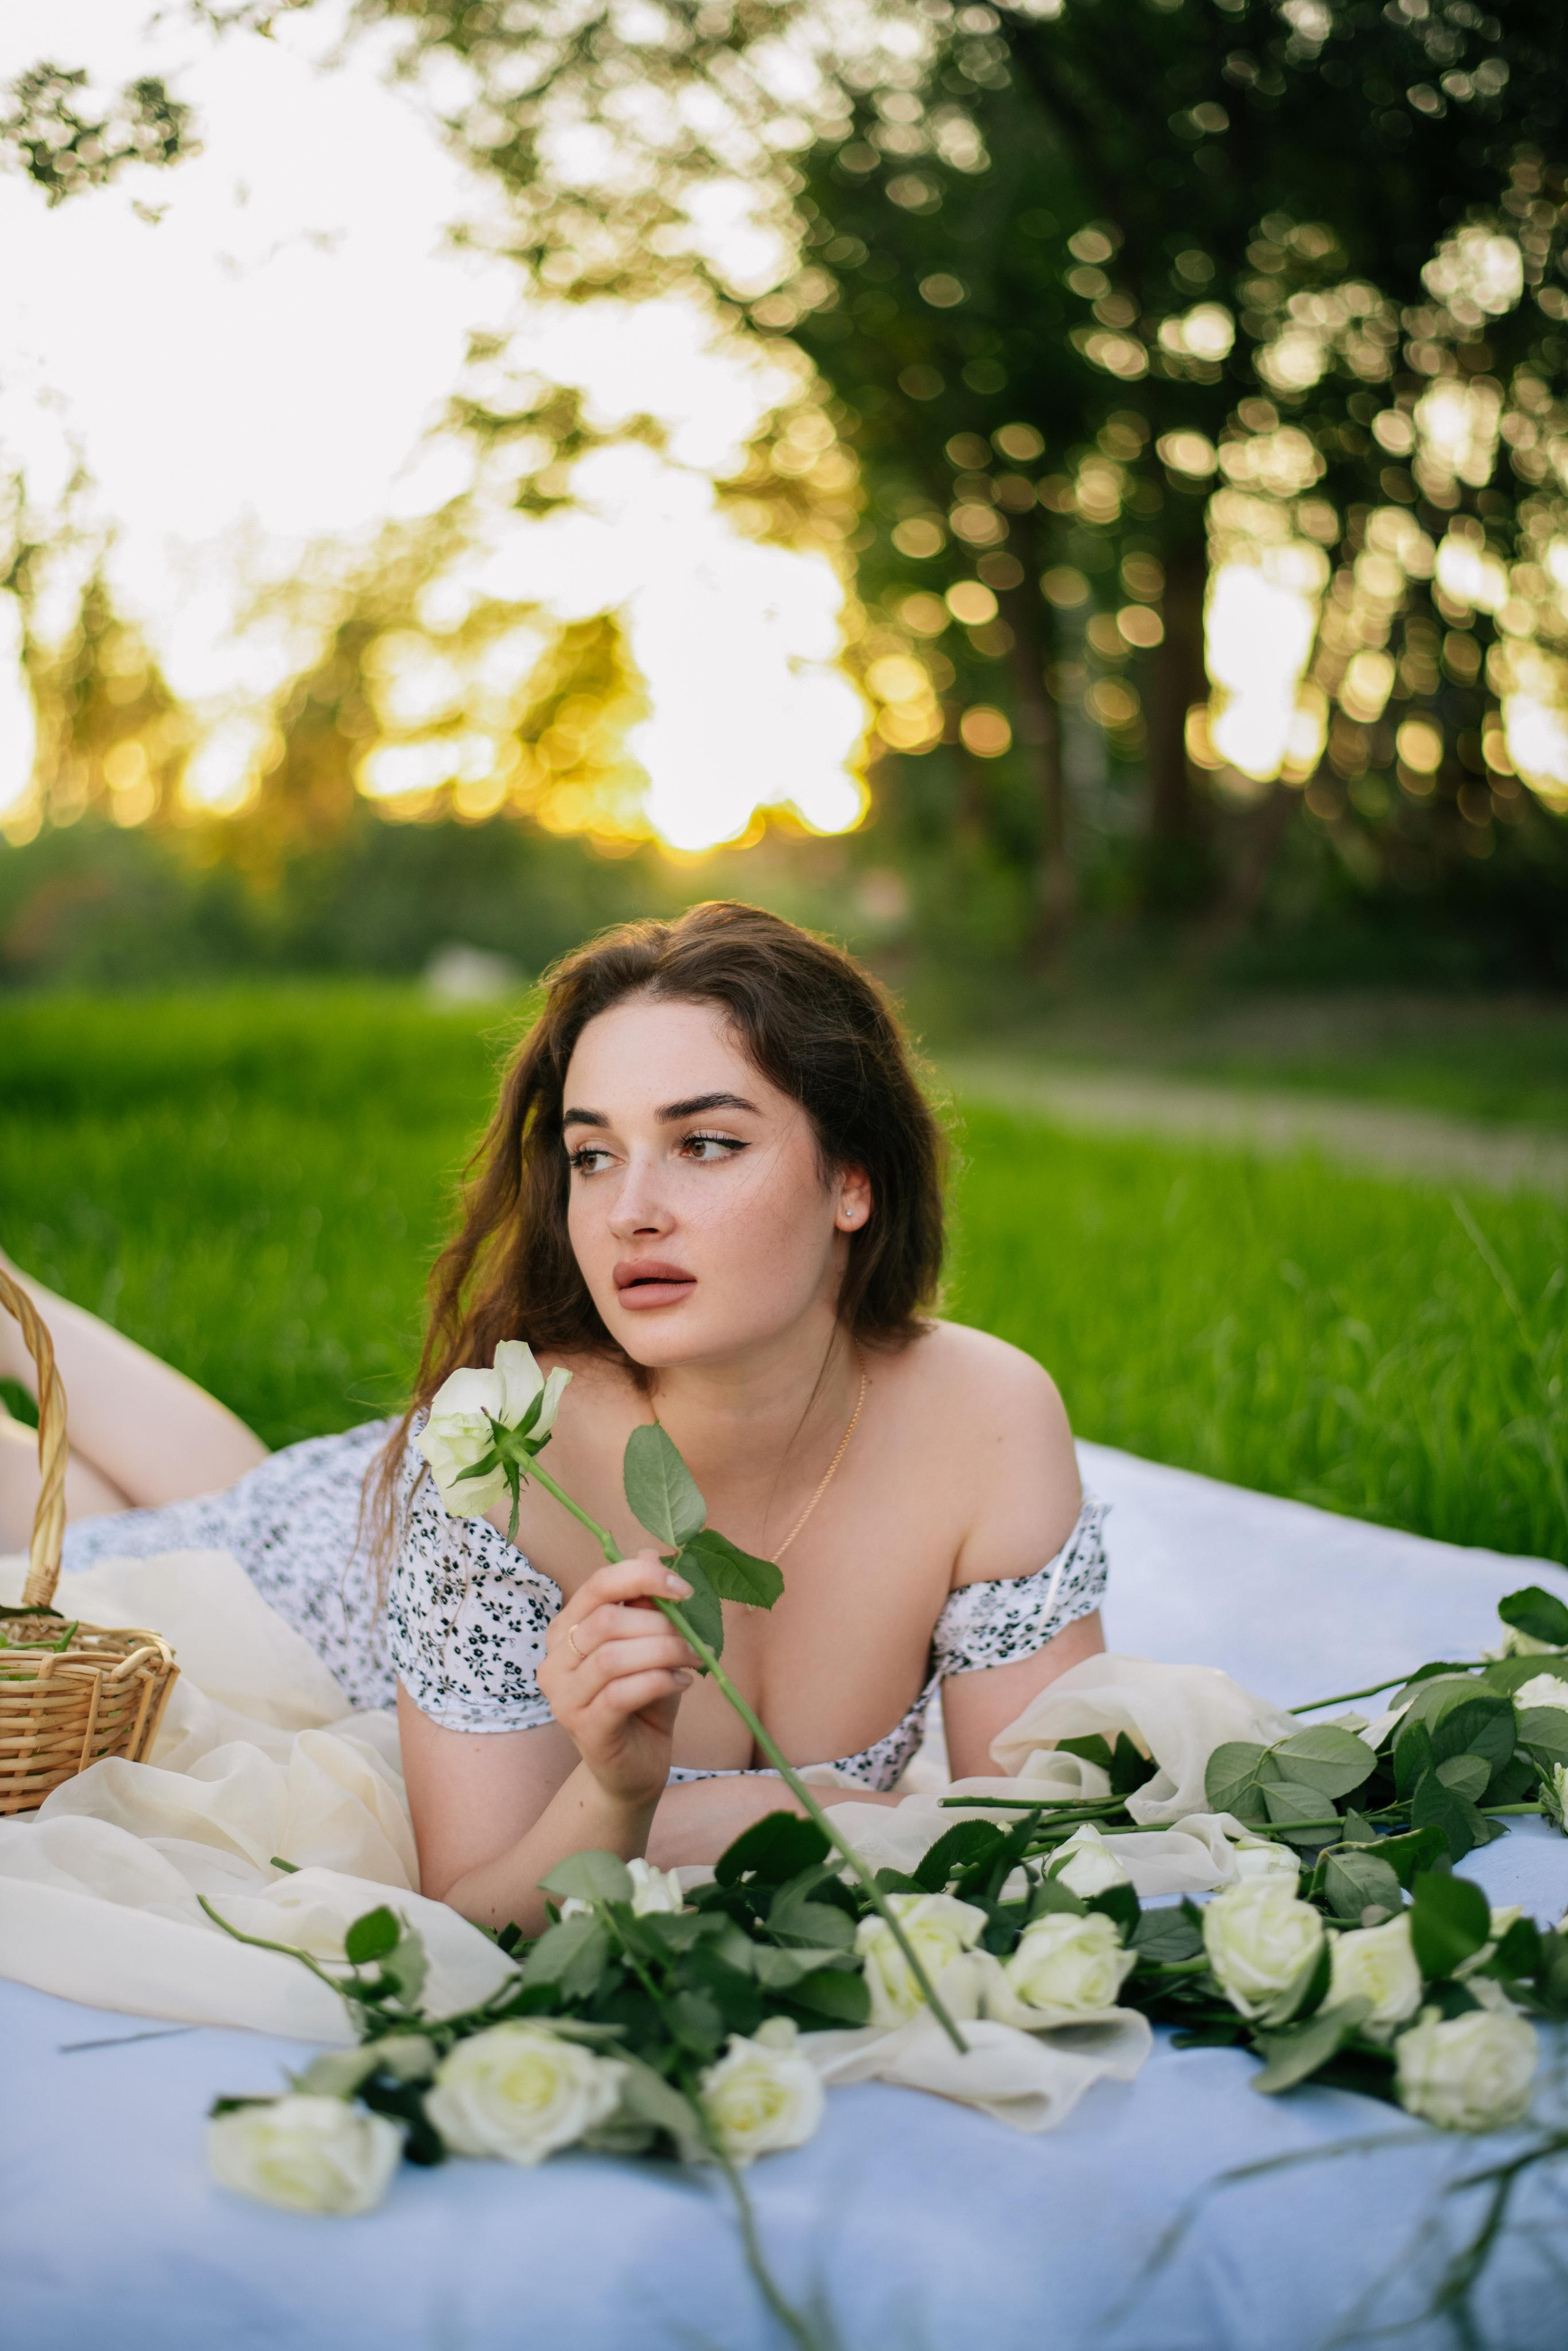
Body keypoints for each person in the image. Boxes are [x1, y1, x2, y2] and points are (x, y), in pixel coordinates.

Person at [1, 903, 1105, 1933]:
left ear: (852, 1181)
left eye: (706, 1143)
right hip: (295, 1582)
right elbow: (476, 1903)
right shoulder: (513, 1467)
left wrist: (677, 1804)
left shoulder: (989, 1421)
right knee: (130, 1538)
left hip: (317, 1504)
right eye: (593, 1154)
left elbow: (1040, 1832)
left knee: (215, 1484)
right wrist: (705, 1808)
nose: (630, 1212)